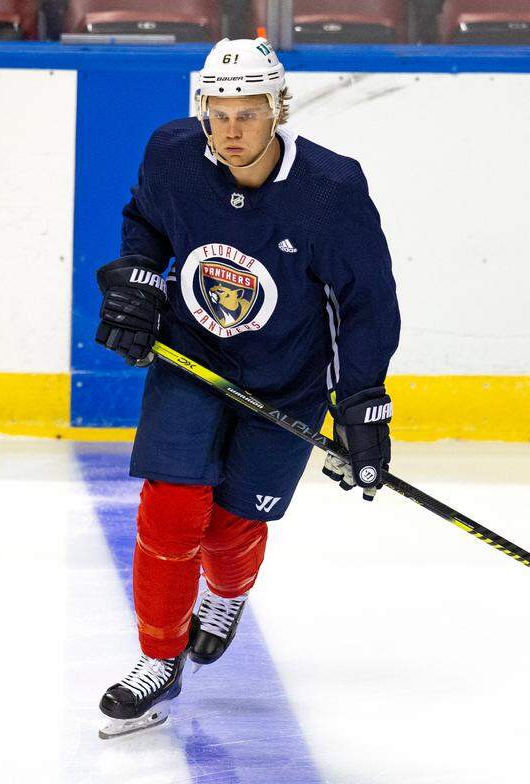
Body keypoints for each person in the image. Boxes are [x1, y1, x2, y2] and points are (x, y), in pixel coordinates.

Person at [94, 37, 401, 739]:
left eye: (249, 113)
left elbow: (367, 303)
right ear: (201, 110)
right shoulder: (173, 154)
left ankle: (226, 595)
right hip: (192, 360)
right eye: (218, 112)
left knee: (233, 528)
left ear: (278, 109)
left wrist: (362, 403)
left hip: (285, 381)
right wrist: (140, 283)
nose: (231, 130)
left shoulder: (331, 191)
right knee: (170, 510)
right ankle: (158, 658)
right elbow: (144, 221)